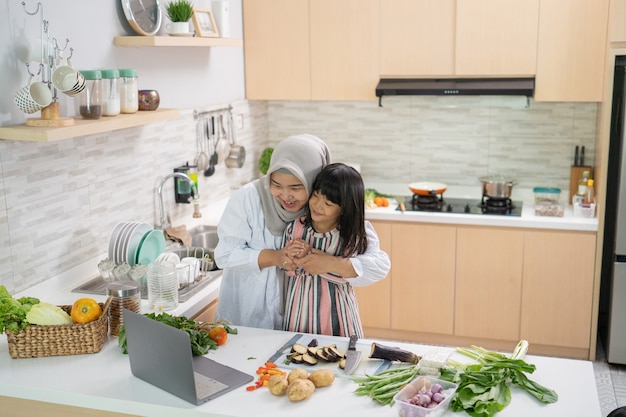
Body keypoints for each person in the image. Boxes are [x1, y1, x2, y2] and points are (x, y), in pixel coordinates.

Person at [213, 134, 331, 329]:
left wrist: (331, 262)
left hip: (305, 319)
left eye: (296, 187)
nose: (285, 196)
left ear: (313, 181)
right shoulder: (248, 198)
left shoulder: (326, 206)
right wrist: (275, 257)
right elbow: (224, 255)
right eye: (276, 185)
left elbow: (374, 264)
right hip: (248, 318)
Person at [281, 163, 391, 338]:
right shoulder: (296, 227)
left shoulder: (353, 234)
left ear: (344, 208)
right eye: (315, 196)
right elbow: (285, 265)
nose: (317, 205)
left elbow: (377, 267)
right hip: (299, 311)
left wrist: (330, 263)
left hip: (339, 315)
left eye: (328, 203)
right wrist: (292, 256)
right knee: (295, 358)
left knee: (339, 359)